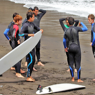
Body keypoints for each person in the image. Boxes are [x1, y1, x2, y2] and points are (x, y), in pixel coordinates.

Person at [19, 11, 43, 82]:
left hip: (32, 44)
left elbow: (37, 27)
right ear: (30, 17)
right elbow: (20, 34)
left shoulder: (32, 23)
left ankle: (29, 76)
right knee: (31, 60)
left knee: (33, 60)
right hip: (28, 45)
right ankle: (28, 76)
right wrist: (28, 35)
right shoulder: (25, 25)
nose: (34, 18)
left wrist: (40, 29)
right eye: (33, 17)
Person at [63, 17, 88, 82]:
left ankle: (73, 78)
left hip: (70, 47)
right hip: (77, 48)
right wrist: (81, 23)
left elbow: (64, 40)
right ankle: (79, 79)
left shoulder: (66, 30)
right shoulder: (76, 28)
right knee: (78, 63)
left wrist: (65, 47)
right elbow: (86, 28)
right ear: (74, 23)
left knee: (71, 63)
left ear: (68, 23)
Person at [88, 14, 95, 81]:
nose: (88, 21)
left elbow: (94, 37)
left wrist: (92, 43)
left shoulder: (93, 26)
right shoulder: (92, 25)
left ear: (92, 20)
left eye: (89, 19)